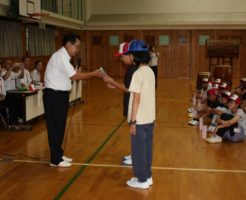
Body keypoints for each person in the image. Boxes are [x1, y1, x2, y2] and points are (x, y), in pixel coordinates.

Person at [43, 33, 103, 168]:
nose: (77, 49)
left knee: (60, 125)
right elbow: (74, 76)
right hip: (54, 96)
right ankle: (55, 159)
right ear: (68, 45)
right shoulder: (61, 57)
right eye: (76, 46)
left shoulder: (65, 57)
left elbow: (69, 75)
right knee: (55, 127)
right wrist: (93, 74)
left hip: (60, 95)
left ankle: (58, 154)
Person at [103, 41, 138, 166]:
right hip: (131, 105)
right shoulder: (133, 68)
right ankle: (135, 154)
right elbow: (127, 86)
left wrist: (113, 82)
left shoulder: (133, 70)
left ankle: (136, 157)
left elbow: (128, 89)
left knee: (135, 131)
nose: (121, 59)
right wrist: (115, 85)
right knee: (134, 131)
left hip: (133, 106)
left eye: (122, 56)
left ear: (130, 55)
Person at [126, 40, 155, 189]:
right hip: (150, 118)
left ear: (134, 56)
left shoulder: (137, 74)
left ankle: (141, 180)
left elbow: (136, 99)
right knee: (147, 149)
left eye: (130, 54)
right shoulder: (150, 71)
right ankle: (148, 176)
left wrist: (133, 122)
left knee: (138, 150)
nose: (129, 57)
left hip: (140, 119)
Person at [1, 59, 24, 124]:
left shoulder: (12, 73)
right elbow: (5, 78)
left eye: (10, 64)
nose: (10, 65)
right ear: (3, 64)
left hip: (13, 93)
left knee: (22, 98)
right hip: (5, 94)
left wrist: (22, 68)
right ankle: (13, 121)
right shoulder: (2, 72)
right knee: (14, 100)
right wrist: (12, 67)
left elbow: (21, 76)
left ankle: (20, 117)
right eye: (8, 63)